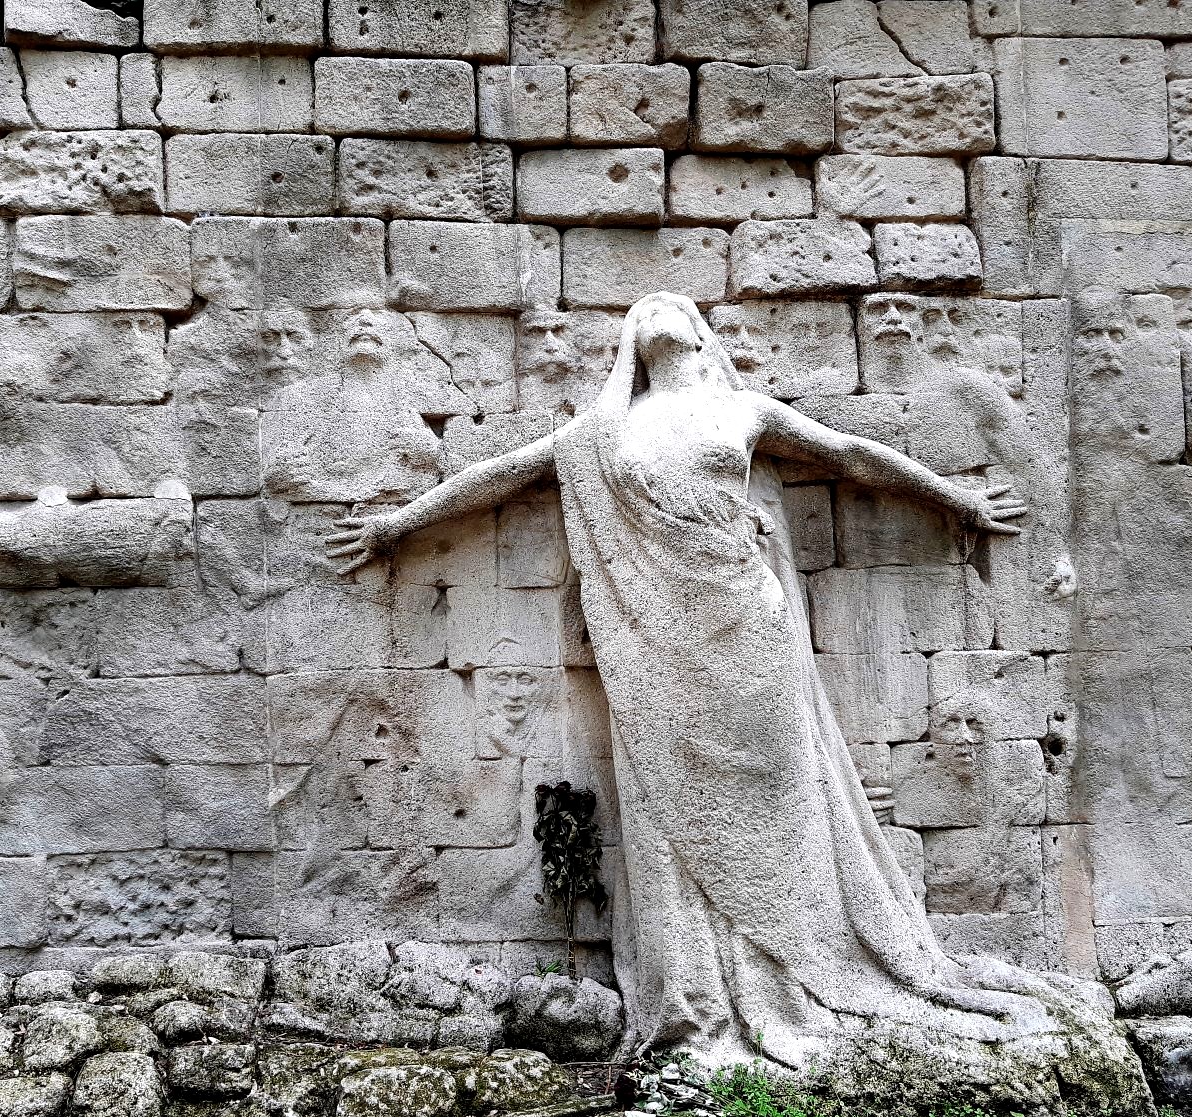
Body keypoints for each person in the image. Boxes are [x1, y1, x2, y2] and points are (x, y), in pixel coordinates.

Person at [325, 292, 1080, 1070]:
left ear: (696, 332)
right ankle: (702, 986)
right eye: (640, 308)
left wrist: (954, 497)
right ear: (630, 344)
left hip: (749, 625)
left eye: (671, 304)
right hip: (655, 639)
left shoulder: (744, 411)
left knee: (779, 795)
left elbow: (852, 455)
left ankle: (799, 963)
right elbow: (501, 473)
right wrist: (395, 524)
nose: (654, 308)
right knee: (669, 799)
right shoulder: (602, 434)